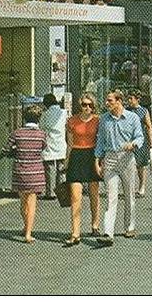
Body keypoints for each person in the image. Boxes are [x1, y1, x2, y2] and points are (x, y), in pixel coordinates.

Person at [94, 90, 145, 247]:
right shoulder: (104, 119)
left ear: (119, 101)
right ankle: (108, 232)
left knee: (129, 194)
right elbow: (101, 140)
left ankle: (129, 227)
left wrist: (134, 144)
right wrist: (97, 160)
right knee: (111, 197)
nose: (107, 103)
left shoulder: (132, 117)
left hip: (127, 157)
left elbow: (140, 136)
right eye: (107, 100)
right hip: (110, 158)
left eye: (110, 100)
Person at [63, 93, 101, 246]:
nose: (87, 108)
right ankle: (75, 232)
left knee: (94, 194)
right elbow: (70, 143)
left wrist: (100, 161)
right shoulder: (71, 121)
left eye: (90, 105)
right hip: (77, 156)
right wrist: (66, 162)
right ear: (80, 105)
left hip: (92, 155)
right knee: (75, 197)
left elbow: (100, 141)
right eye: (85, 104)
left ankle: (95, 224)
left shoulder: (98, 121)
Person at [8, 104, 47, 243]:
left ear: (24, 117)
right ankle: (28, 233)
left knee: (23, 201)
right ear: (39, 118)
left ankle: (25, 226)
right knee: (31, 203)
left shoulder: (16, 133)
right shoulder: (42, 135)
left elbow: (7, 149)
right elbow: (43, 147)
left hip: (20, 170)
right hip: (36, 172)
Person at [125, 90, 152, 197]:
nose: (129, 101)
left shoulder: (143, 111)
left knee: (140, 165)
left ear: (137, 99)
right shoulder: (126, 110)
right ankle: (130, 187)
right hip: (128, 140)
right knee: (129, 165)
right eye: (128, 98)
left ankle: (142, 186)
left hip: (140, 141)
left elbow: (148, 127)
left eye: (131, 99)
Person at [39, 93, 67, 200]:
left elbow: (41, 127)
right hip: (61, 144)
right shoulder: (64, 113)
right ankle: (62, 191)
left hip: (49, 144)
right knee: (61, 169)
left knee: (50, 169)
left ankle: (50, 193)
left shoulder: (45, 115)